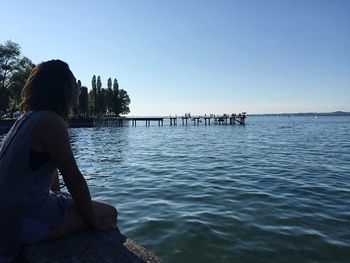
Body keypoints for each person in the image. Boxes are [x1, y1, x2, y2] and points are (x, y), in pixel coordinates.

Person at [0, 60, 117, 262]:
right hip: (21, 221)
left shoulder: (26, 119)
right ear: (64, 88)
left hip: (9, 212)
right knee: (109, 213)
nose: (78, 91)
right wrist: (95, 223)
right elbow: (74, 179)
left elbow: (50, 177)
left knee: (71, 201)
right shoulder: (50, 122)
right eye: (76, 86)